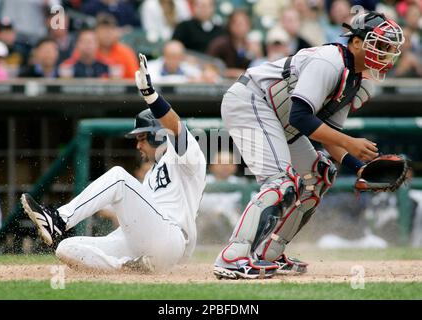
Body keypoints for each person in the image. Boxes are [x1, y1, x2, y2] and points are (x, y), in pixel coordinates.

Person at [213, 11, 404, 279]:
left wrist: (358, 167)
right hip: (252, 100)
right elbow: (301, 116)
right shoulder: (330, 61)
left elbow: (328, 134)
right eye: (380, 44)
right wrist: (351, 143)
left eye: (389, 48)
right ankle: (233, 257)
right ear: (357, 42)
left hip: (279, 116)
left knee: (321, 173)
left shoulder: (356, 80)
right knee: (281, 181)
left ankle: (270, 253)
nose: (385, 53)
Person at [21, 53, 207, 273]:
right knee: (66, 247)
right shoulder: (150, 175)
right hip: (141, 245)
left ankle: (59, 219)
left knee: (119, 176)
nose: (138, 146)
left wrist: (150, 96)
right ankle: (128, 268)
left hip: (171, 239)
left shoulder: (187, 157)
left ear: (158, 135)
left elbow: (176, 128)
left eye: (141, 137)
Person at [206, 10, 254, 79]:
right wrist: (232, 73)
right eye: (237, 24)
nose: (240, 27)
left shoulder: (252, 46)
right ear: (230, 25)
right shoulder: (219, 44)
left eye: (243, 24)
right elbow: (209, 66)